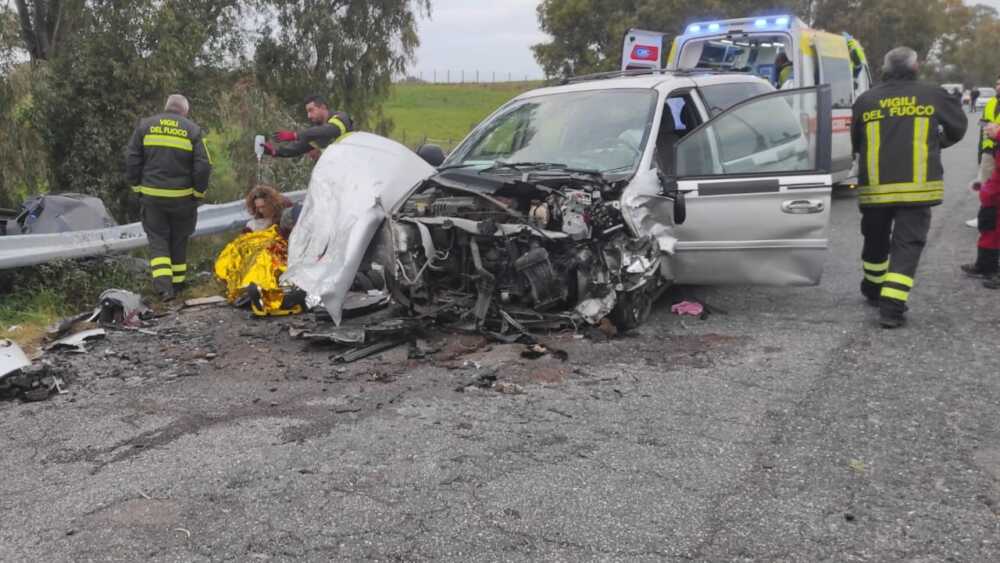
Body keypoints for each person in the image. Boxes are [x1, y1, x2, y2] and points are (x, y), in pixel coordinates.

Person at [852, 46, 967, 328]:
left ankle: (873, 288)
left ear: (885, 69)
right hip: (917, 189)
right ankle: (891, 309)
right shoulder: (933, 94)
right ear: (916, 68)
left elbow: (856, 141)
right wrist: (937, 143)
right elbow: (958, 127)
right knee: (907, 246)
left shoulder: (866, 100)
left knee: (875, 238)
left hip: (875, 188)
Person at [125, 94, 213, 301]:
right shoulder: (192, 130)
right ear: (185, 111)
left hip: (152, 197)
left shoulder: (145, 126)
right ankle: (178, 284)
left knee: (158, 240)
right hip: (182, 198)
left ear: (167, 107)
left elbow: (132, 159)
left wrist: (137, 187)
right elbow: (203, 166)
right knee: (179, 239)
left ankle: (164, 289)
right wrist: (198, 193)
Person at [262, 95, 354, 160]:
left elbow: (330, 130)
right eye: (307, 112)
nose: (309, 116)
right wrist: (275, 152)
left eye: (311, 110)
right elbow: (299, 147)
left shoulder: (341, 118)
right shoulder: (318, 131)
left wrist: (295, 135)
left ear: (323, 107)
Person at [965, 122, 1000, 283]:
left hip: (995, 195)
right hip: (992, 195)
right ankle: (983, 265)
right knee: (988, 229)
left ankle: (992, 270)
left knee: (993, 231)